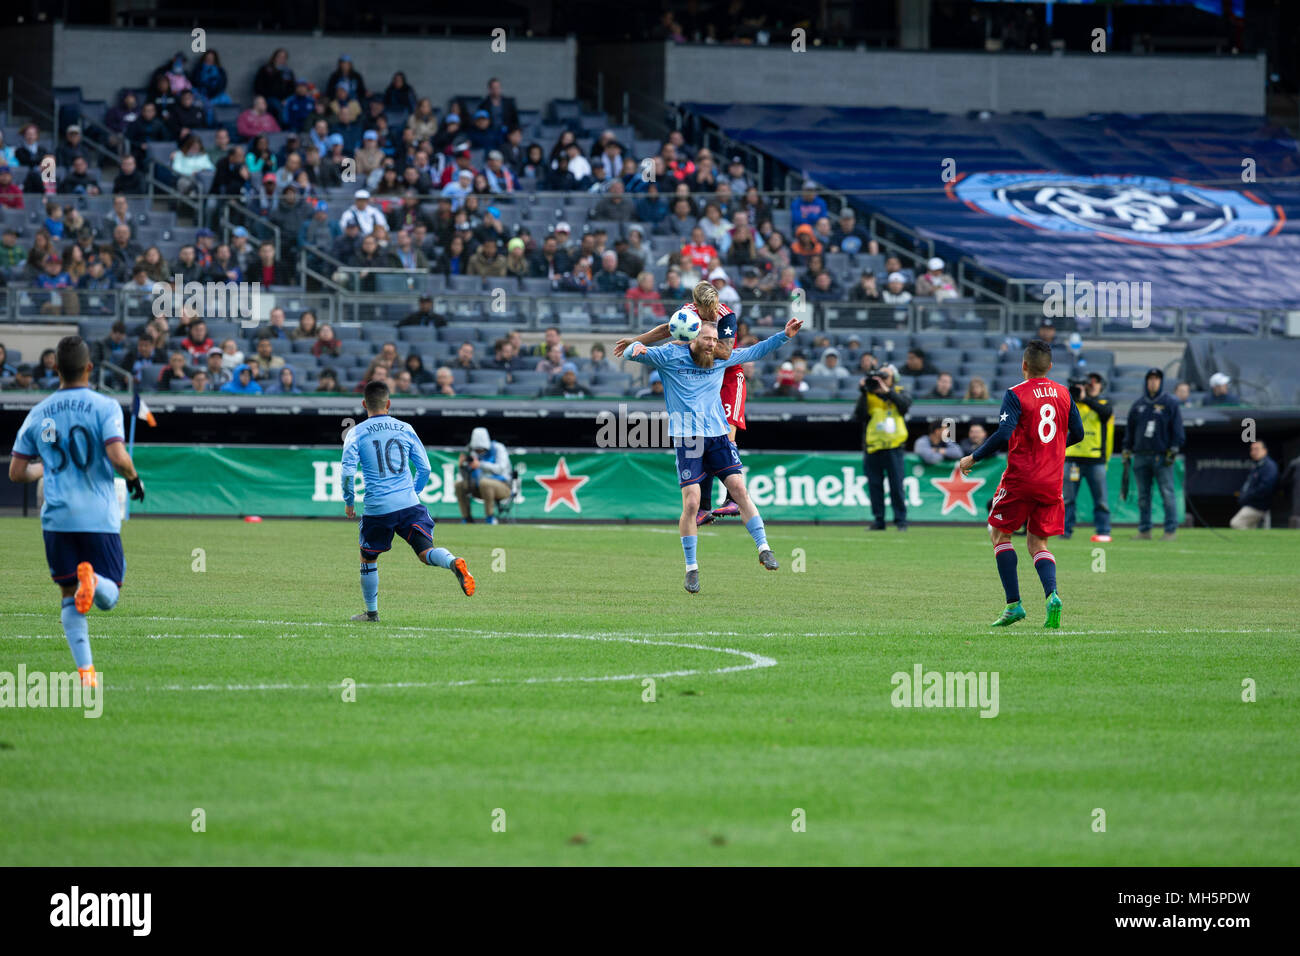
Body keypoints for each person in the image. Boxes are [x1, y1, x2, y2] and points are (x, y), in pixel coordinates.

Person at [625, 309, 802, 592]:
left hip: (718, 436)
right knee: (692, 503)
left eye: (714, 339)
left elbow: (756, 351)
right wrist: (637, 345)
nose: (711, 343)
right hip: (688, 439)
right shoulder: (670, 356)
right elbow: (631, 354)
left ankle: (764, 548)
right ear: (692, 338)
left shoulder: (721, 358)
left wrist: (784, 336)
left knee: (739, 489)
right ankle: (691, 568)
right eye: (707, 338)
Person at [7, 336, 145, 687]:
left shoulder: (40, 413)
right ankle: (94, 580)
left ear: (55, 369)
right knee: (110, 591)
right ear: (89, 368)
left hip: (57, 517)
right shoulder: (104, 406)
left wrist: (46, 469)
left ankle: (86, 674)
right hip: (97, 516)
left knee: (69, 597)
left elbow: (17, 472)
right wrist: (133, 477)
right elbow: (116, 456)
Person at [958, 339, 1084, 628]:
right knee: (1038, 542)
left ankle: (1014, 604)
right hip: (1052, 480)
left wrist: (973, 458)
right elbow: (1077, 433)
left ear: (1024, 365)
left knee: (999, 534)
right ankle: (1052, 595)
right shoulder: (1064, 393)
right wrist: (1049, 447)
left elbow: (1003, 434)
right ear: (1050, 367)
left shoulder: (1016, 393)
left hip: (1021, 477)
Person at [342, 380, 475, 622]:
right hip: (409, 504)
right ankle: (453, 562)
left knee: (368, 557)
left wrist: (349, 501)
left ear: (364, 404)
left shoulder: (356, 432)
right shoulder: (405, 428)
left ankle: (371, 613)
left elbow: (347, 472)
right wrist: (412, 493)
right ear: (389, 404)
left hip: (378, 508)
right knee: (426, 552)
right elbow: (424, 467)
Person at [614, 283, 746, 525]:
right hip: (703, 374)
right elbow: (668, 328)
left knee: (726, 432)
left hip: (728, 376)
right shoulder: (689, 311)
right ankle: (704, 507)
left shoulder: (727, 316)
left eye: (714, 307)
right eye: (707, 309)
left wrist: (688, 344)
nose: (711, 313)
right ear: (696, 306)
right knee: (700, 435)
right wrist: (635, 340)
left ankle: (733, 499)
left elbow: (726, 353)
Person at [1123, 367, 1184, 541]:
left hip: (1162, 456)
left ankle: (1170, 530)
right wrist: (1126, 448)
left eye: (1156, 379)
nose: (1153, 382)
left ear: (1161, 382)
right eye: (1150, 378)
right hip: (1141, 455)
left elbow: (1178, 429)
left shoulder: (1170, 403)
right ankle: (1144, 530)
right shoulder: (1138, 405)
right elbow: (1130, 430)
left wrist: (1174, 447)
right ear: (1146, 381)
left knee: (1167, 493)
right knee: (1143, 496)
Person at [853, 364, 912, 531]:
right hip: (873, 447)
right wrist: (864, 392)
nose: (882, 380)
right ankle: (879, 520)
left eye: (886, 376)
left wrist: (887, 391)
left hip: (894, 447)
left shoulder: (899, 391)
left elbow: (904, 406)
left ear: (894, 378)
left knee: (896, 486)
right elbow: (859, 415)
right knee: (875, 486)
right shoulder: (869, 395)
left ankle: (901, 520)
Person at [1063, 371, 1114, 542]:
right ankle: (1065, 531)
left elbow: (1106, 412)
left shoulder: (1103, 402)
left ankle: (1103, 531)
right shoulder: (1071, 402)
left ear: (1102, 386)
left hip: (1095, 459)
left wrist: (1085, 399)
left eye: (1096, 382)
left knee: (1101, 499)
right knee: (1068, 499)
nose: (1092, 384)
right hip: (1072, 457)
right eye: (1089, 382)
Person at [454, 426, 513, 525]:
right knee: (459, 485)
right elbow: (466, 477)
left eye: (481, 450)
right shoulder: (471, 451)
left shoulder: (498, 448)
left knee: (485, 483)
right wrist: (461, 467)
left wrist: (480, 465)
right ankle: (466, 519)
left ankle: (490, 518)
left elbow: (500, 469)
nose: (479, 453)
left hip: (503, 486)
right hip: (479, 487)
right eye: (477, 451)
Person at [1229, 441, 1278, 529]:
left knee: (1236, 523)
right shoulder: (1257, 466)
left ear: (1265, 451)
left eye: (1257, 449)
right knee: (1251, 530)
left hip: (1258, 506)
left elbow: (1266, 487)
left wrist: (1248, 496)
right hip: (1252, 504)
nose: (1253, 452)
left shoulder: (1269, 466)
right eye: (1252, 450)